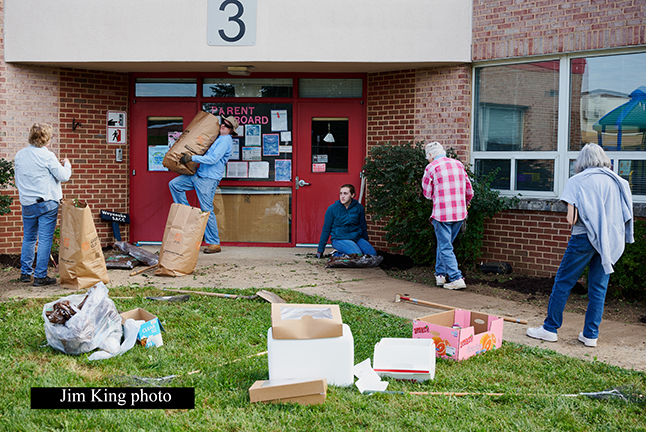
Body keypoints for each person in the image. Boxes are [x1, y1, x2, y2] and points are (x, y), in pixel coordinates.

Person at [527, 143, 634, 347]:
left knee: (563, 281)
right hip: (609, 241)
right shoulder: (619, 181)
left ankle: (550, 328)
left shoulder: (577, 181)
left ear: (582, 161)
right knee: (598, 288)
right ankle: (590, 334)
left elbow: (572, 219)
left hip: (584, 238)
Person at [169, 115, 238, 254]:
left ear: (231, 130)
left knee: (207, 210)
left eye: (227, 126)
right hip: (199, 175)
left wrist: (191, 157)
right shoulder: (218, 138)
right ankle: (188, 213)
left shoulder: (225, 141)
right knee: (174, 184)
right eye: (223, 123)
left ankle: (214, 243)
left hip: (208, 179)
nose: (223, 126)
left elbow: (213, 159)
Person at [14, 123, 72, 286]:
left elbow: (18, 180)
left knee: (29, 238)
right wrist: (67, 163)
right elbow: (63, 176)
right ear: (47, 139)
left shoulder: (20, 155)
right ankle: (40, 276)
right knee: (45, 239)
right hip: (47, 203)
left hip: (27, 203)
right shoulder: (48, 156)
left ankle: (25, 273)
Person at [421, 141, 473, 290]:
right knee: (445, 244)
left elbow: (427, 193)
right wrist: (464, 205)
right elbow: (470, 191)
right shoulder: (458, 164)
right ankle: (440, 275)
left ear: (430, 155)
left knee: (445, 246)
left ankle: (456, 278)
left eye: (428, 157)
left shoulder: (431, 167)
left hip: (442, 214)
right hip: (459, 213)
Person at [316, 184, 377, 258]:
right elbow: (326, 230)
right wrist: (320, 250)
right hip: (339, 239)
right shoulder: (332, 209)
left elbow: (363, 227)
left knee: (372, 255)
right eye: (341, 193)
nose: (342, 196)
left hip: (356, 238)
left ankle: (345, 253)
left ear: (352, 195)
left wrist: (366, 243)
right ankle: (336, 255)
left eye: (345, 193)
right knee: (357, 255)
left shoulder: (358, 207)